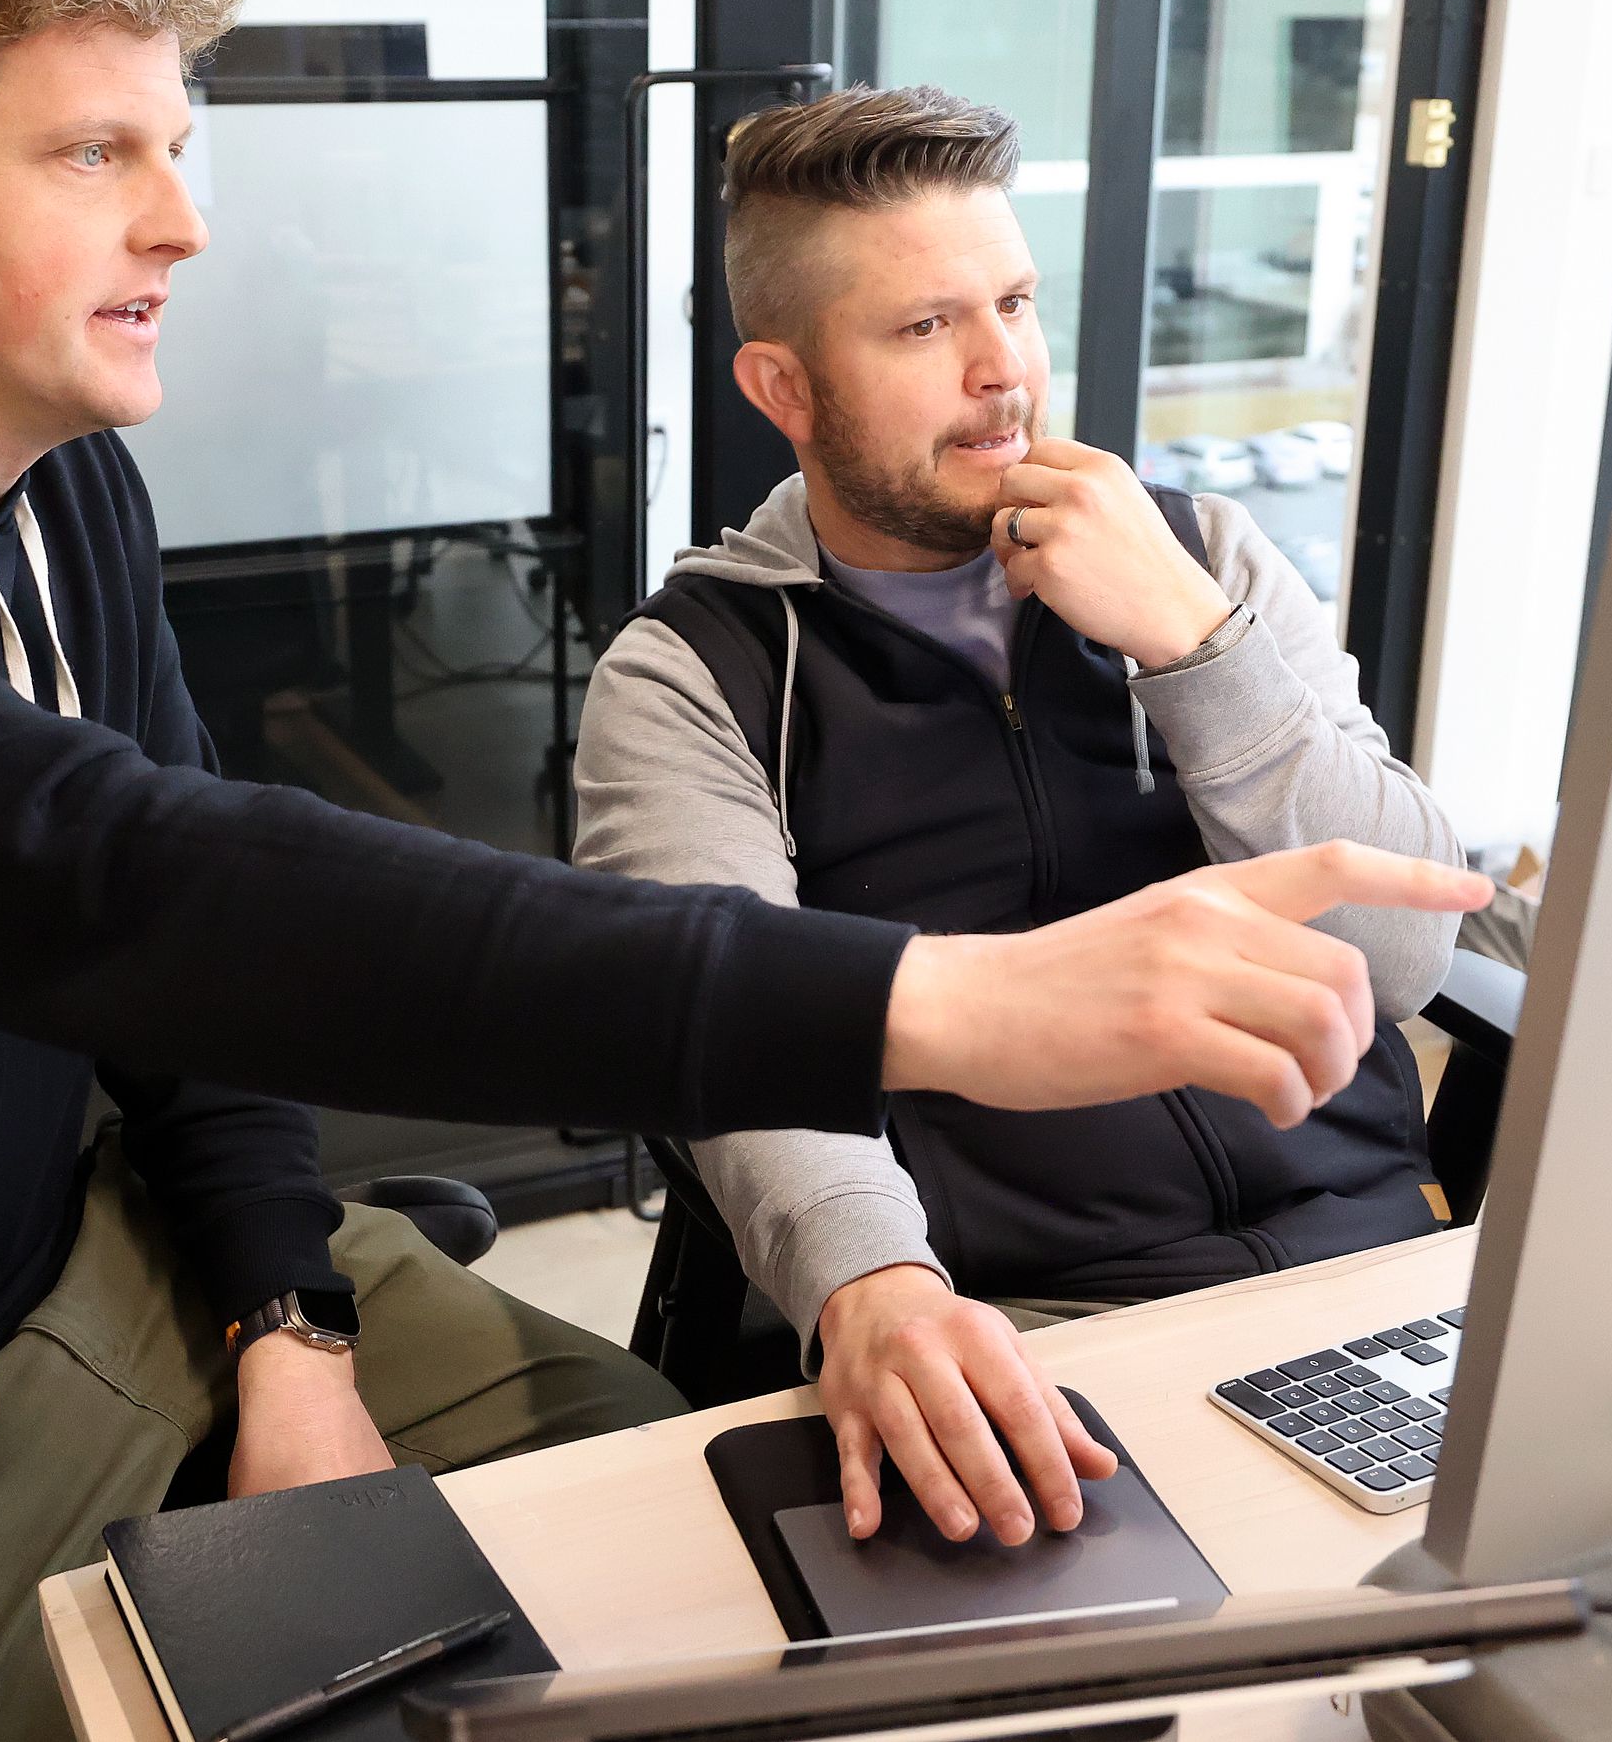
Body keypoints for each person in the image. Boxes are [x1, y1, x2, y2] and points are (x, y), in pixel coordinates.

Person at [0, 0, 1487, 1742]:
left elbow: (182, 968)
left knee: (709, 1557)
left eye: (177, 147)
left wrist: (287, 1316)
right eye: (95, 156)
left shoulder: (53, 479)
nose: (182, 215)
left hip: (92, 1242)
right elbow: (147, 891)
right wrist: (941, 1006)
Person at [574, 85, 1469, 1560]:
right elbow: (734, 1038)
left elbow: (1408, 953)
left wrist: (1196, 645)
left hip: (1380, 1274)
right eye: (925, 329)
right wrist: (875, 1282)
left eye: (1016, 302)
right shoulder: (698, 675)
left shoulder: (1202, 555)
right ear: (783, 389)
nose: (1005, 373)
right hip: (1039, 1337)